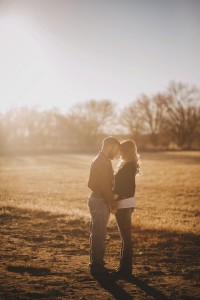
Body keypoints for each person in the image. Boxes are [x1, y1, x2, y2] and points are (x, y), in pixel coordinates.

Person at [87, 136, 120, 276]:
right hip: (100, 201)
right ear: (109, 147)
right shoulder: (102, 163)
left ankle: (96, 262)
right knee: (99, 234)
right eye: (116, 150)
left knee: (97, 233)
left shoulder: (101, 159)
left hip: (98, 200)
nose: (117, 153)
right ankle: (96, 265)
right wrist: (113, 203)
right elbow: (105, 187)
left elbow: (95, 184)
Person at [113, 139, 141, 278]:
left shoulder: (128, 166)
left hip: (123, 203)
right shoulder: (129, 165)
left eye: (121, 150)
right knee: (126, 237)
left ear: (126, 151)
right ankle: (124, 269)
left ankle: (125, 270)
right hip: (127, 202)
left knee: (126, 238)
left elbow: (123, 187)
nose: (119, 153)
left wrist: (112, 199)